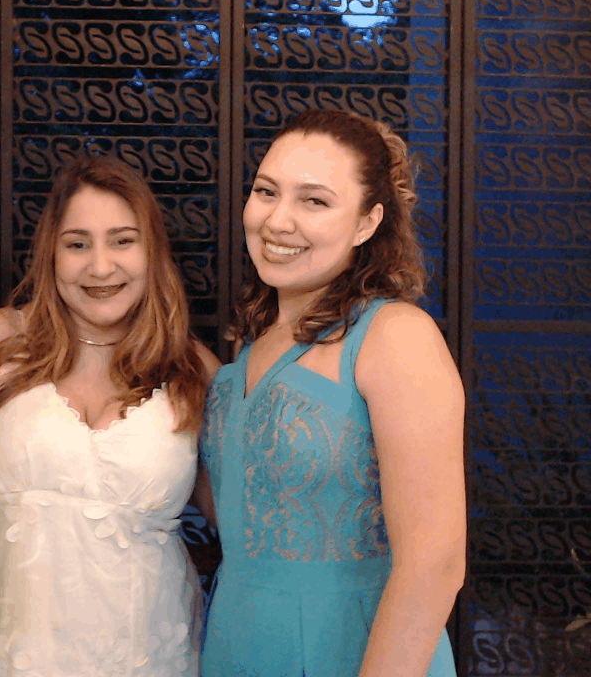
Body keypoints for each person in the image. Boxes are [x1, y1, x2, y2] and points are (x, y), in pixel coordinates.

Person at [0, 154, 221, 677]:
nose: (100, 267)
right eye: (78, 244)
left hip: (151, 658)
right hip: (5, 658)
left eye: (122, 241)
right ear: (51, 255)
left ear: (152, 252)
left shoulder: (191, 368)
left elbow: (244, 519)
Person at [199, 110, 466, 677]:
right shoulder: (250, 342)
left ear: (367, 223)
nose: (278, 221)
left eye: (314, 201)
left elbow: (436, 564)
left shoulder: (394, 336)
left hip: (355, 649)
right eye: (266, 191)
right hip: (237, 643)